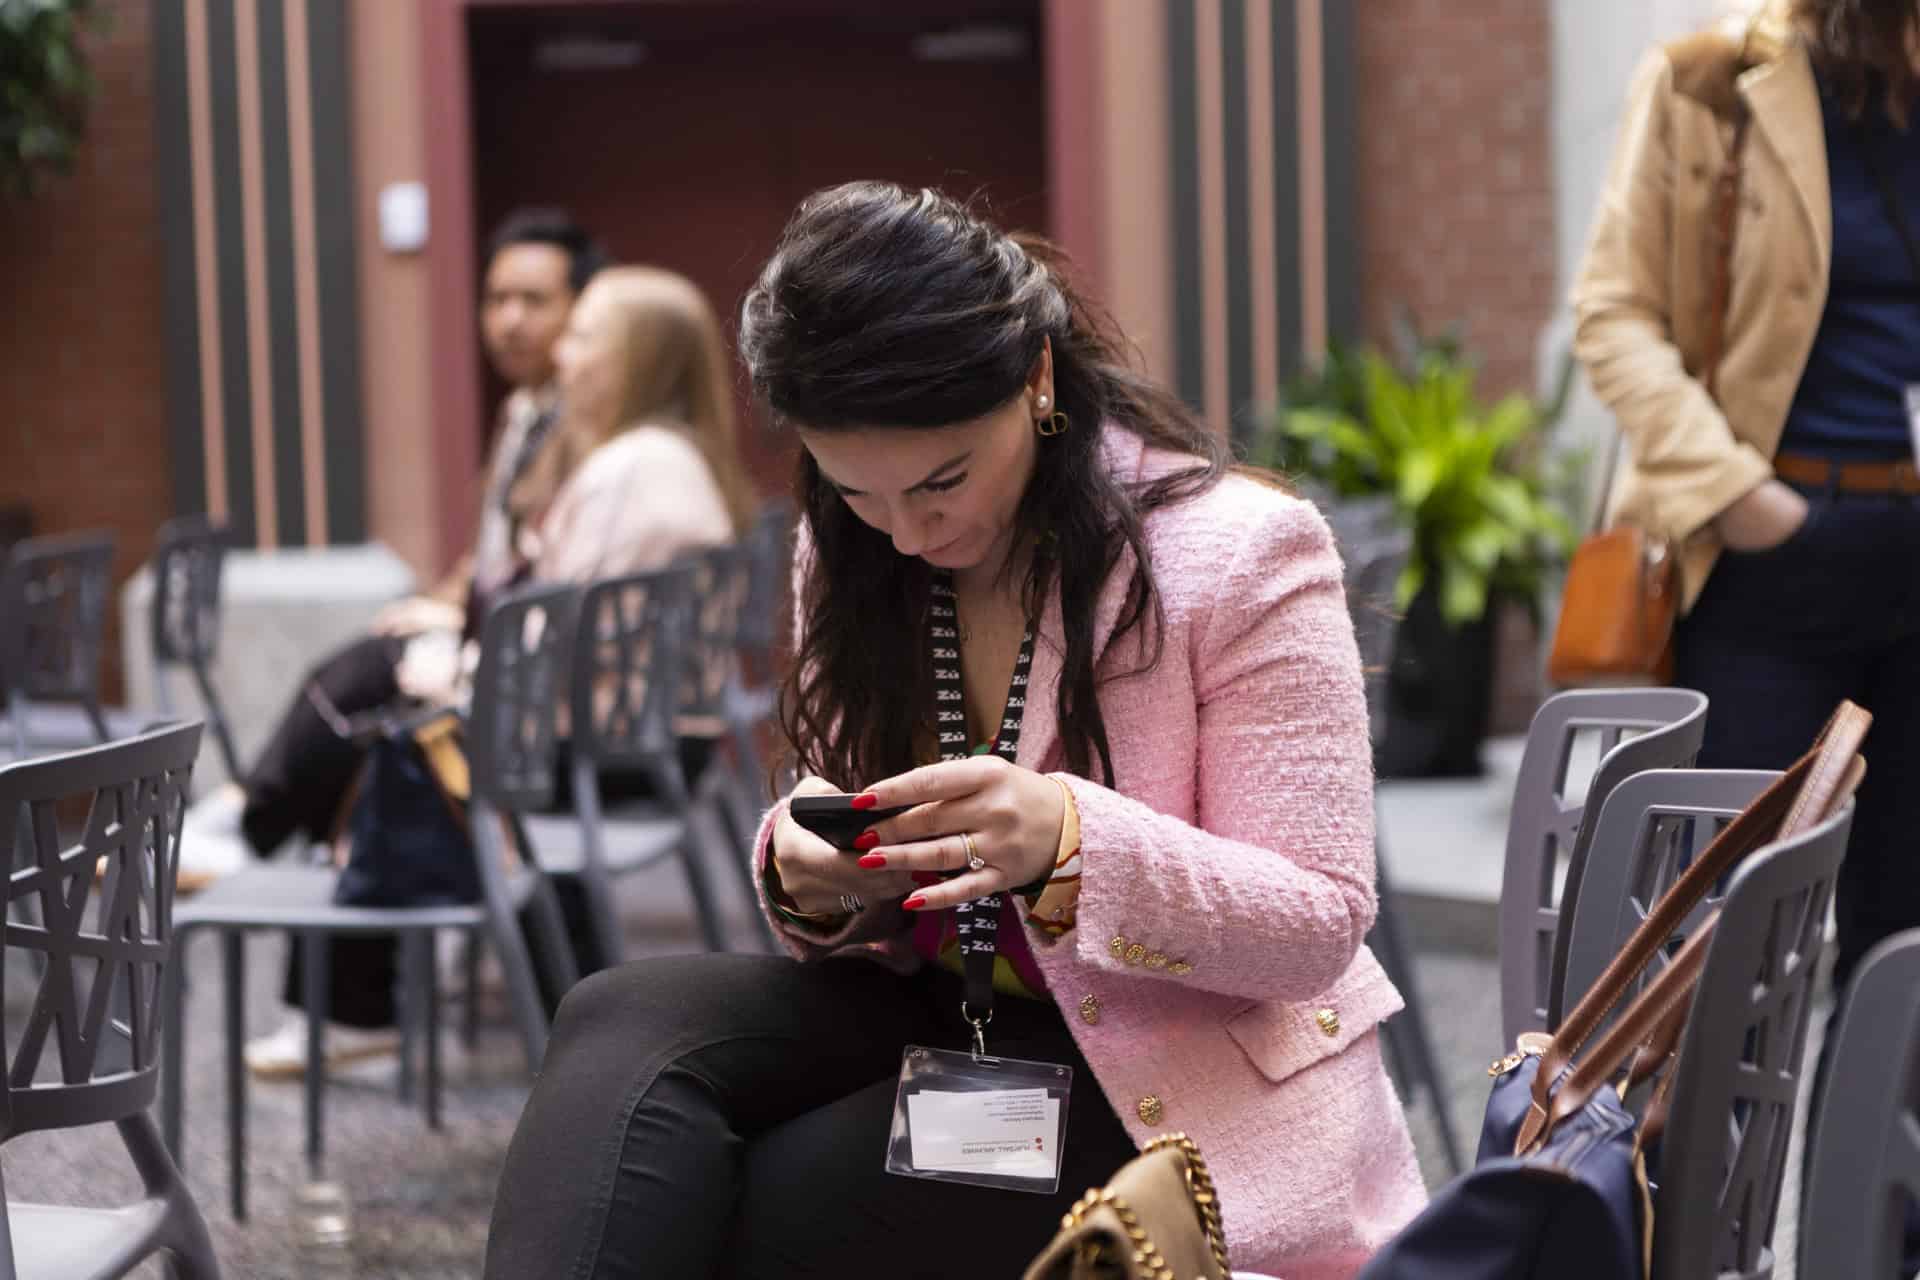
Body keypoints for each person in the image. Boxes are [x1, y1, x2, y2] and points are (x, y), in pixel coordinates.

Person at [484, 182, 1426, 1280]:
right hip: (945, 1016)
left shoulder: (1240, 551)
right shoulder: (853, 546)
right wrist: (814, 869)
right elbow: (838, 815)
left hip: (1156, 1079)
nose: (910, 531)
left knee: (754, 1194)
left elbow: (1319, 920)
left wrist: (1067, 842)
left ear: (1037, 378)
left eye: (944, 480)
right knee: (619, 1018)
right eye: (860, 490)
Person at [228, 265, 753, 1078]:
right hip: (628, 738)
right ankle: (273, 868)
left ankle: (265, 858)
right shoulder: (662, 457)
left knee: (390, 724)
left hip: (598, 749)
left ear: (639, 358)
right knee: (385, 687)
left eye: (583, 336)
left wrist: (457, 673)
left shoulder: (633, 468)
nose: (563, 354)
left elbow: (553, 635)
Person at [1572, 0, 1920, 1222]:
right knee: (1738, 939)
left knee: (1906, 952)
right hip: (1771, 568)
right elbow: (1615, 312)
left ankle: (1869, 1235)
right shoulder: (1713, 82)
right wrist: (1746, 498)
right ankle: (1695, 1234)